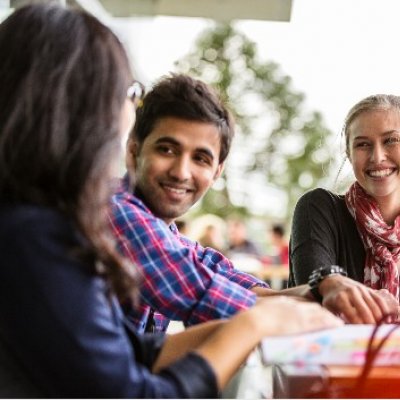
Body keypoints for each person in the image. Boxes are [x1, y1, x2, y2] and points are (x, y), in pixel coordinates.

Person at [0, 4, 343, 398]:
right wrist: (256, 323)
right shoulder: (38, 234)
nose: (181, 172)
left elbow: (131, 350)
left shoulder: (41, 221)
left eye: (201, 157)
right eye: (129, 91)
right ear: (82, 105)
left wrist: (306, 296)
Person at [109, 74, 398, 332]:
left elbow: (220, 275)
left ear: (217, 172)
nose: (181, 172)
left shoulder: (168, 234)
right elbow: (198, 291)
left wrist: (319, 290)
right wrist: (319, 295)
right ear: (133, 152)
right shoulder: (115, 210)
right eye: (167, 149)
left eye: (200, 158)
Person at [289, 94, 400, 322]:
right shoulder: (320, 207)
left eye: (391, 140)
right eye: (362, 145)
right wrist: (331, 283)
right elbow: (314, 284)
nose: (377, 157)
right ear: (349, 155)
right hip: (331, 355)